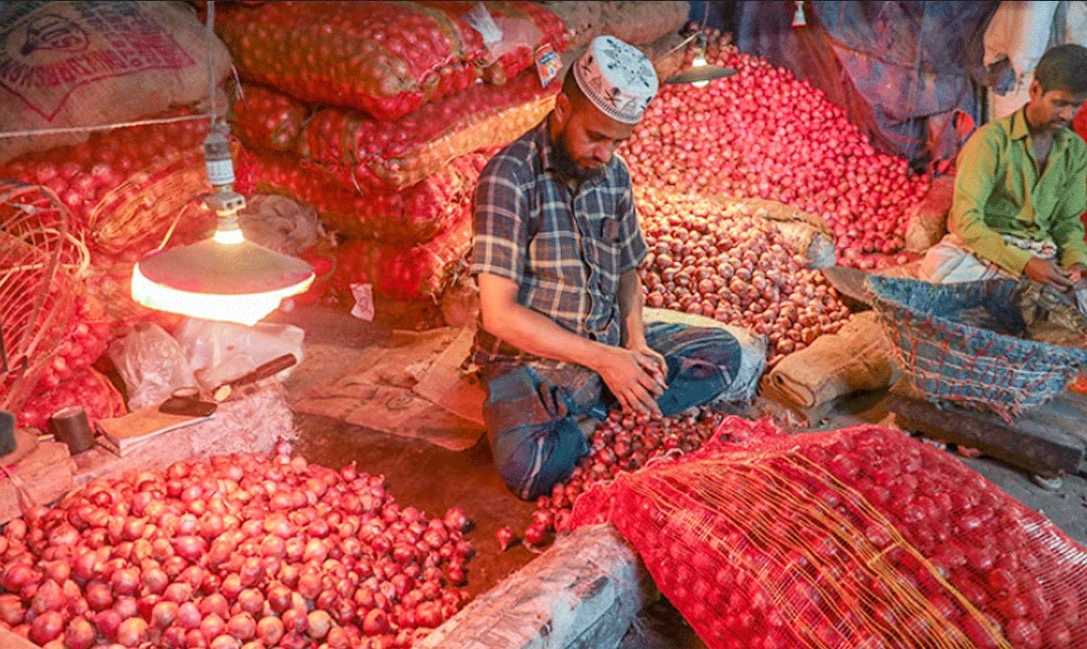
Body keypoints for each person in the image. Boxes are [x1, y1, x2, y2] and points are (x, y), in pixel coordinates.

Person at [469, 36, 746, 500]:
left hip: (608, 339)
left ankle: (592, 407)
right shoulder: (509, 177)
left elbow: (626, 271)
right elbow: (499, 316)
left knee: (723, 354)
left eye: (618, 142)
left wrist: (634, 344)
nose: (605, 154)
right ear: (561, 108)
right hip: (531, 359)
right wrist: (603, 360)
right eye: (596, 136)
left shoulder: (613, 173)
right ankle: (606, 401)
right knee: (529, 469)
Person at [919, 44, 1087, 313]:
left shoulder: (1076, 152)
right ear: (1035, 91)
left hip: (1040, 251)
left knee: (1078, 301)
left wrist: (1076, 263)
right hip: (985, 248)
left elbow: (1067, 224)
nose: (1067, 115)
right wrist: (1022, 263)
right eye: (1059, 103)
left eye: (1075, 106)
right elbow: (966, 221)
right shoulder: (990, 141)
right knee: (938, 272)